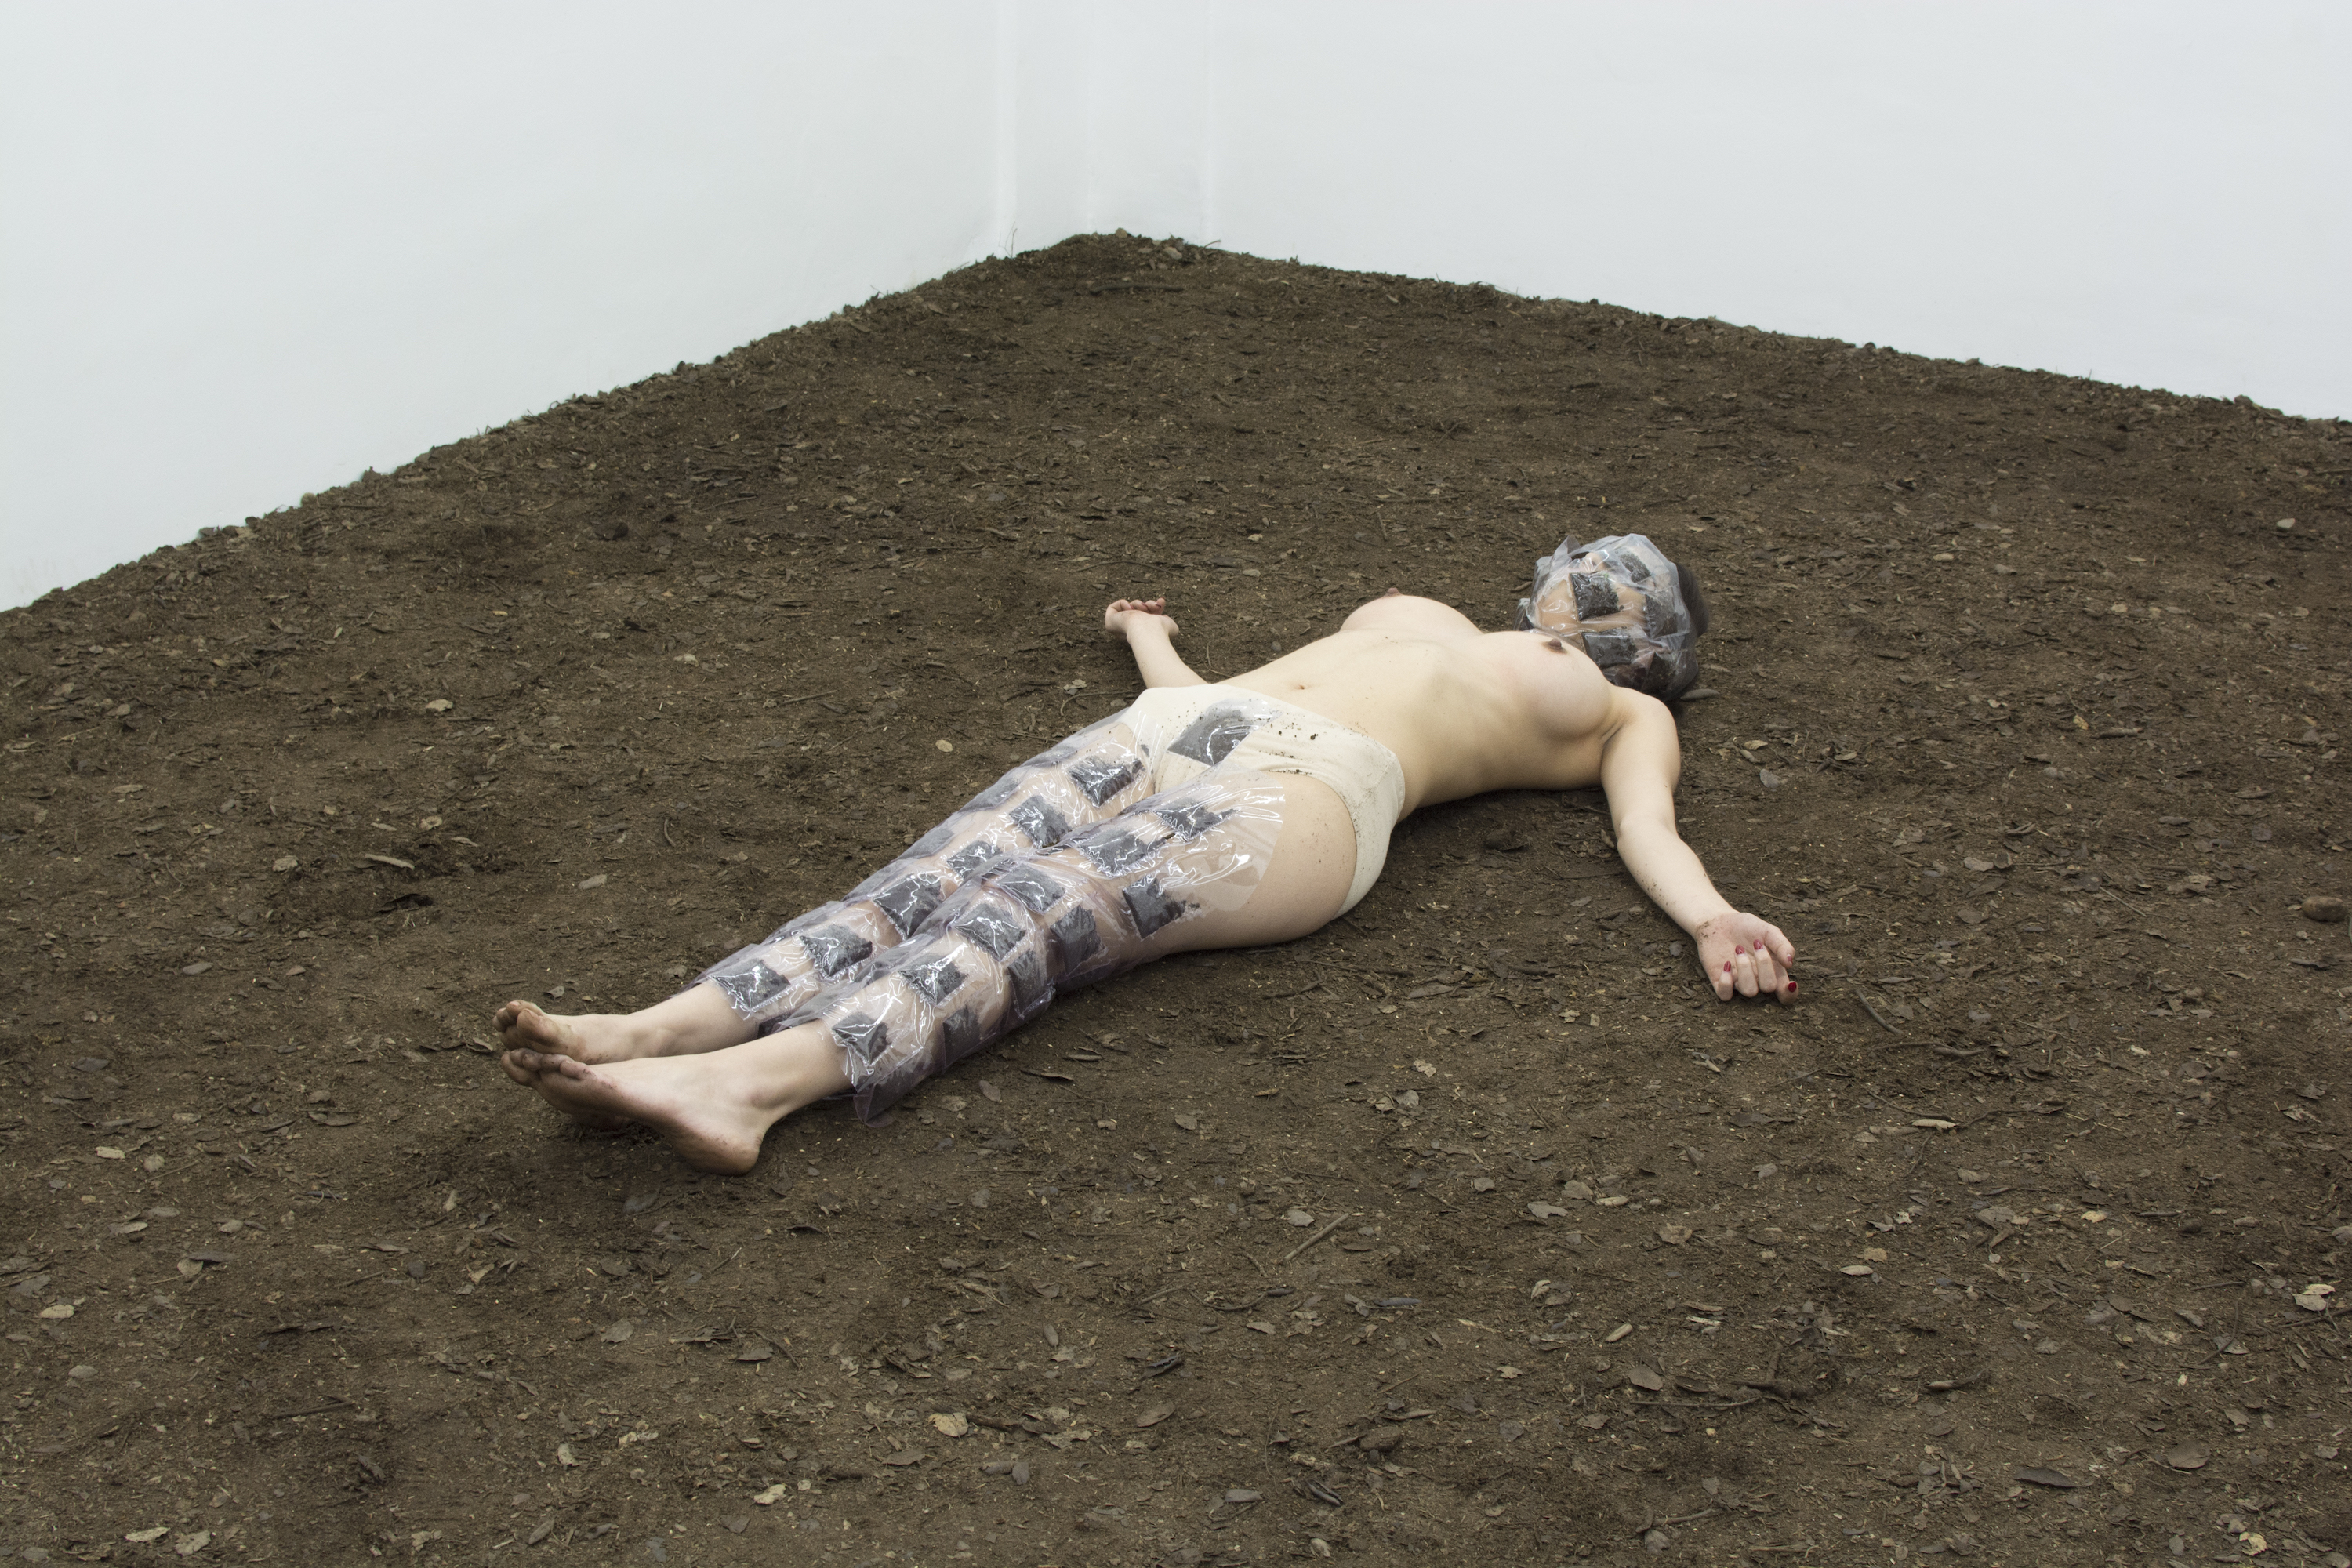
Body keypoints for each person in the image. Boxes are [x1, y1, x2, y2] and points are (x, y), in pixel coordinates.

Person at [497, 533, 1795, 1173]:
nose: (1597, 567)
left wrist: (1711, 917)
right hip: (1174, 725)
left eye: (1631, 574)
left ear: (1658, 640)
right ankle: (660, 1029)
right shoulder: (1439, 615)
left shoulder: (1625, 713)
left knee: (1033, 913)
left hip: (1313, 792)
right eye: (1596, 552)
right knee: (922, 882)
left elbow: (1646, 825)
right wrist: (1147, 642)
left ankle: (751, 1089)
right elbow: (1238, 682)